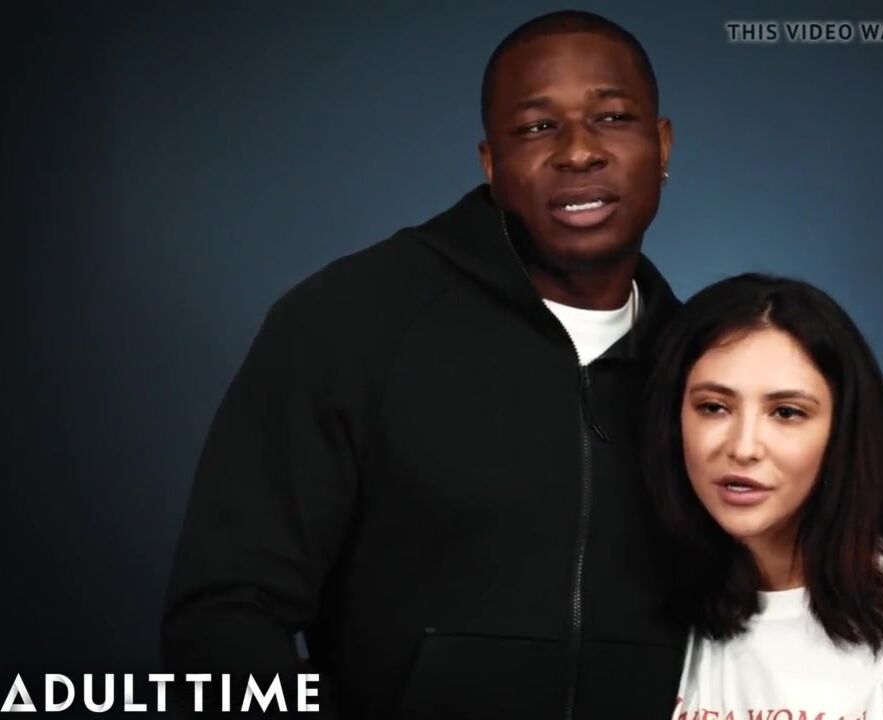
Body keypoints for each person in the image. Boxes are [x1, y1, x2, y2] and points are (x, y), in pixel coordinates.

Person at [161, 10, 685, 718]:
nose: (578, 152)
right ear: (490, 165)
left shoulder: (704, 370)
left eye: (613, 117)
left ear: (661, 145)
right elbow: (223, 615)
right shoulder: (349, 320)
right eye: (536, 127)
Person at [644, 274, 883, 719]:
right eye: (713, 407)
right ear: (674, 420)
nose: (743, 447)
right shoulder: (642, 602)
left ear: (842, 433)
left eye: (786, 413)